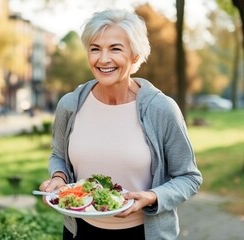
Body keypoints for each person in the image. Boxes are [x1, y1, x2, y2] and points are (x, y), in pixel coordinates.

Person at [39, 8, 203, 240]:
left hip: (142, 233)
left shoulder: (161, 109)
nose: (103, 59)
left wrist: (152, 197)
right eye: (95, 49)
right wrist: (59, 178)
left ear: (135, 55)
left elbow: (189, 177)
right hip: (79, 231)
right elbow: (58, 155)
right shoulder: (70, 105)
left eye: (115, 48)